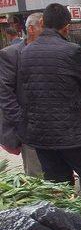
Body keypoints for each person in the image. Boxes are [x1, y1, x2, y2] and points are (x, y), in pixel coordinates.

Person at [19, 3, 81, 196]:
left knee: (60, 190)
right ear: (66, 27)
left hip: (42, 137)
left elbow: (26, 92)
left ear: (43, 22)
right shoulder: (70, 51)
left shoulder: (26, 53)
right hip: (74, 136)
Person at [0, 12, 44, 176]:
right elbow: (5, 95)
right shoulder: (10, 54)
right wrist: (23, 122)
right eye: (44, 27)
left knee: (58, 176)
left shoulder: (50, 51)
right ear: (31, 29)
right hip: (30, 128)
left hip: (54, 126)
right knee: (38, 177)